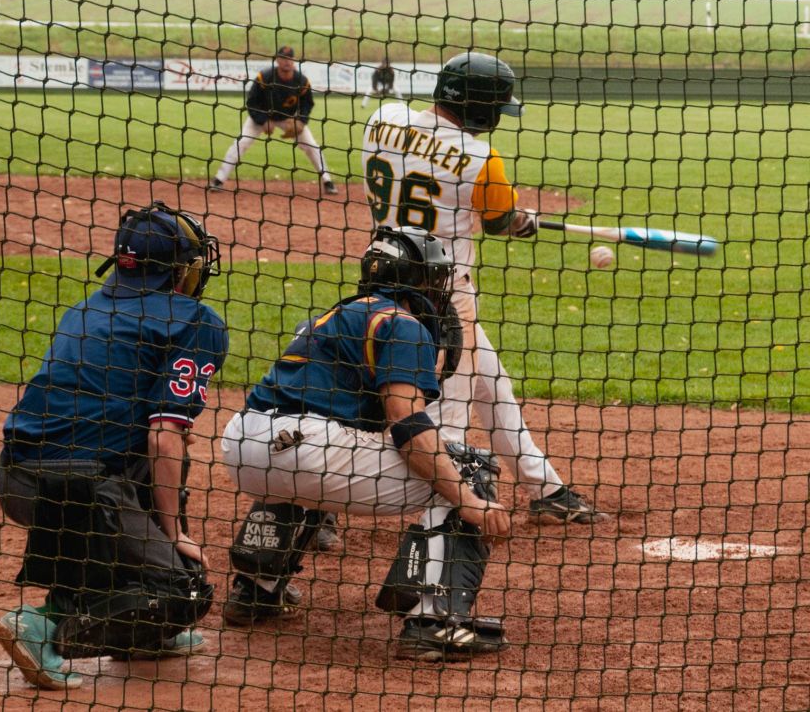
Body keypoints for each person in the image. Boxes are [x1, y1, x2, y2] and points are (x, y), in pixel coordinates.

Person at [221, 226, 512, 662]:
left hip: (243, 446)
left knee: (309, 465)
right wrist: (469, 501)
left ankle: (255, 589)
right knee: (468, 467)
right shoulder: (404, 324)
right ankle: (433, 622)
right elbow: (409, 428)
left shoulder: (332, 316)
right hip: (309, 451)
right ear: (418, 281)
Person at [360, 51, 604, 523]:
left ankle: (546, 489)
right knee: (447, 418)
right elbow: (498, 221)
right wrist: (521, 222)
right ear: (482, 108)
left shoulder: (382, 118)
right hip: (442, 299)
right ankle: (440, 523)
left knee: (492, 387)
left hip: (379, 279)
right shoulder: (480, 158)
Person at [0, 202, 227, 690]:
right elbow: (164, 436)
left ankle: (145, 634)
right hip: (78, 488)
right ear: (178, 270)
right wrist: (174, 534)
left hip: (16, 478)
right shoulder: (194, 320)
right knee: (183, 588)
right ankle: (46, 625)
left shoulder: (85, 309)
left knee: (146, 459)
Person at [210, 45, 338, 195]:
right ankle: (219, 179)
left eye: (289, 58)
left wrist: (301, 121)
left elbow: (307, 104)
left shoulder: (301, 81)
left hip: (288, 119)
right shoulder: (264, 77)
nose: (287, 61)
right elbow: (251, 102)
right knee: (241, 142)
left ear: (294, 61)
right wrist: (263, 120)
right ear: (277, 60)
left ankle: (328, 181)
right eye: (283, 58)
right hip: (262, 115)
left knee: (311, 146)